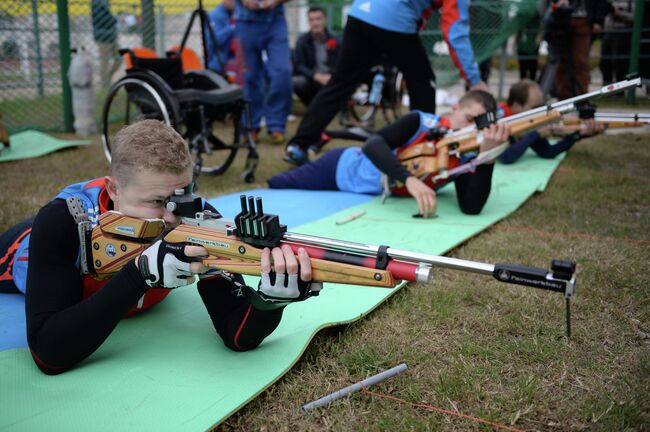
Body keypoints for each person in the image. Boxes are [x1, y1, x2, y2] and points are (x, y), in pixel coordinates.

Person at [0, 120, 320, 375]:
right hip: (20, 251)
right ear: (114, 188)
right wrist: (138, 276)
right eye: (156, 202)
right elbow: (49, 353)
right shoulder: (61, 223)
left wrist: (269, 302)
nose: (171, 217)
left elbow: (236, 332)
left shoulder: (194, 215)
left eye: (181, 197)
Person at [283, 0, 489, 166]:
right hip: (394, 19)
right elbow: (455, 32)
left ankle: (298, 145)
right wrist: (474, 80)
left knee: (339, 83)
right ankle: (419, 151)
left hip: (360, 12)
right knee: (423, 86)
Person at [270, 90, 509, 218]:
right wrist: (409, 179)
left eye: (475, 126)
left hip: (365, 194)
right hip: (340, 168)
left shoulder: (465, 155)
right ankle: (302, 157)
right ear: (455, 108)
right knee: (277, 184)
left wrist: (488, 156)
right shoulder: (420, 121)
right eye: (468, 119)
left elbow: (471, 207)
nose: (469, 129)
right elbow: (373, 144)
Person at [497, 79, 602, 164]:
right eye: (535, 108)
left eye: (541, 107)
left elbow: (548, 152)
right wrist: (536, 134)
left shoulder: (526, 121)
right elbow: (505, 157)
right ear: (516, 106)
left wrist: (578, 135)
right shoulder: (500, 118)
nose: (539, 113)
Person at [235, 0, 293, 145]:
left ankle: (276, 124)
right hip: (245, 22)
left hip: (275, 21)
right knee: (249, 76)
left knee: (282, 72)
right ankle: (251, 126)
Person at [539, 0, 608, 98]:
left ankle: (580, 97)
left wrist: (598, 20)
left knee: (580, 62)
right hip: (559, 17)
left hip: (583, 19)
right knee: (559, 62)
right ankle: (563, 97)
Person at [292, 6, 341, 107]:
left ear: (325, 19)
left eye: (318, 19)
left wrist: (332, 76)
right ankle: (311, 105)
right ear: (308, 22)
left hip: (331, 79)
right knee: (297, 82)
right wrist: (316, 76)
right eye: (311, 20)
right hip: (312, 80)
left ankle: (337, 106)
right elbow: (299, 65)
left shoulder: (335, 40)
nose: (315, 23)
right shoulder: (302, 41)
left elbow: (341, 62)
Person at [599, 0, 634, 86]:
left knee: (619, 64)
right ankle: (606, 87)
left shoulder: (632, 2)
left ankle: (619, 90)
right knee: (605, 62)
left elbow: (636, 17)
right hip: (608, 32)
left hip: (622, 32)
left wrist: (618, 14)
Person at [205, 0, 241, 82]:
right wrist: (231, 28)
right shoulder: (215, 15)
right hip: (219, 65)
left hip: (238, 62)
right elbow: (212, 41)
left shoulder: (239, 14)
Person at [91, 0, 120, 87]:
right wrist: (114, 19)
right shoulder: (96, 3)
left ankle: (107, 79)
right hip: (102, 38)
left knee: (119, 58)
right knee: (105, 62)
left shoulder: (105, 3)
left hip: (111, 36)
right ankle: (104, 84)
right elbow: (105, 19)